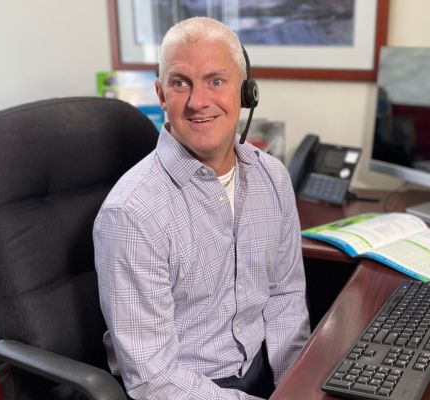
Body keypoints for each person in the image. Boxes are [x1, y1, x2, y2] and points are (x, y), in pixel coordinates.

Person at [93, 16, 310, 400]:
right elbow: (153, 379)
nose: (198, 102)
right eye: (180, 83)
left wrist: (297, 385)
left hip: (265, 371)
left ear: (245, 93)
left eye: (215, 80)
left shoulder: (272, 178)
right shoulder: (132, 213)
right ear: (162, 95)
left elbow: (285, 296)